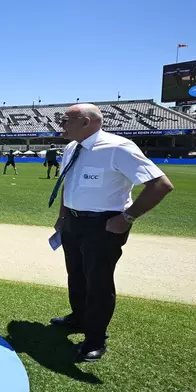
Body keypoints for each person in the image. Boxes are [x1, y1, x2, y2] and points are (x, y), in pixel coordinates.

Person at [49, 104, 174, 362]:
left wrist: (127, 217)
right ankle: (79, 317)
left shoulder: (118, 147)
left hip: (103, 225)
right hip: (73, 222)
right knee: (77, 274)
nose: (61, 125)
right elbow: (67, 185)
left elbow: (161, 185)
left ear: (85, 122)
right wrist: (62, 217)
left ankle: (95, 339)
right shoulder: (72, 147)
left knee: (99, 282)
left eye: (65, 120)